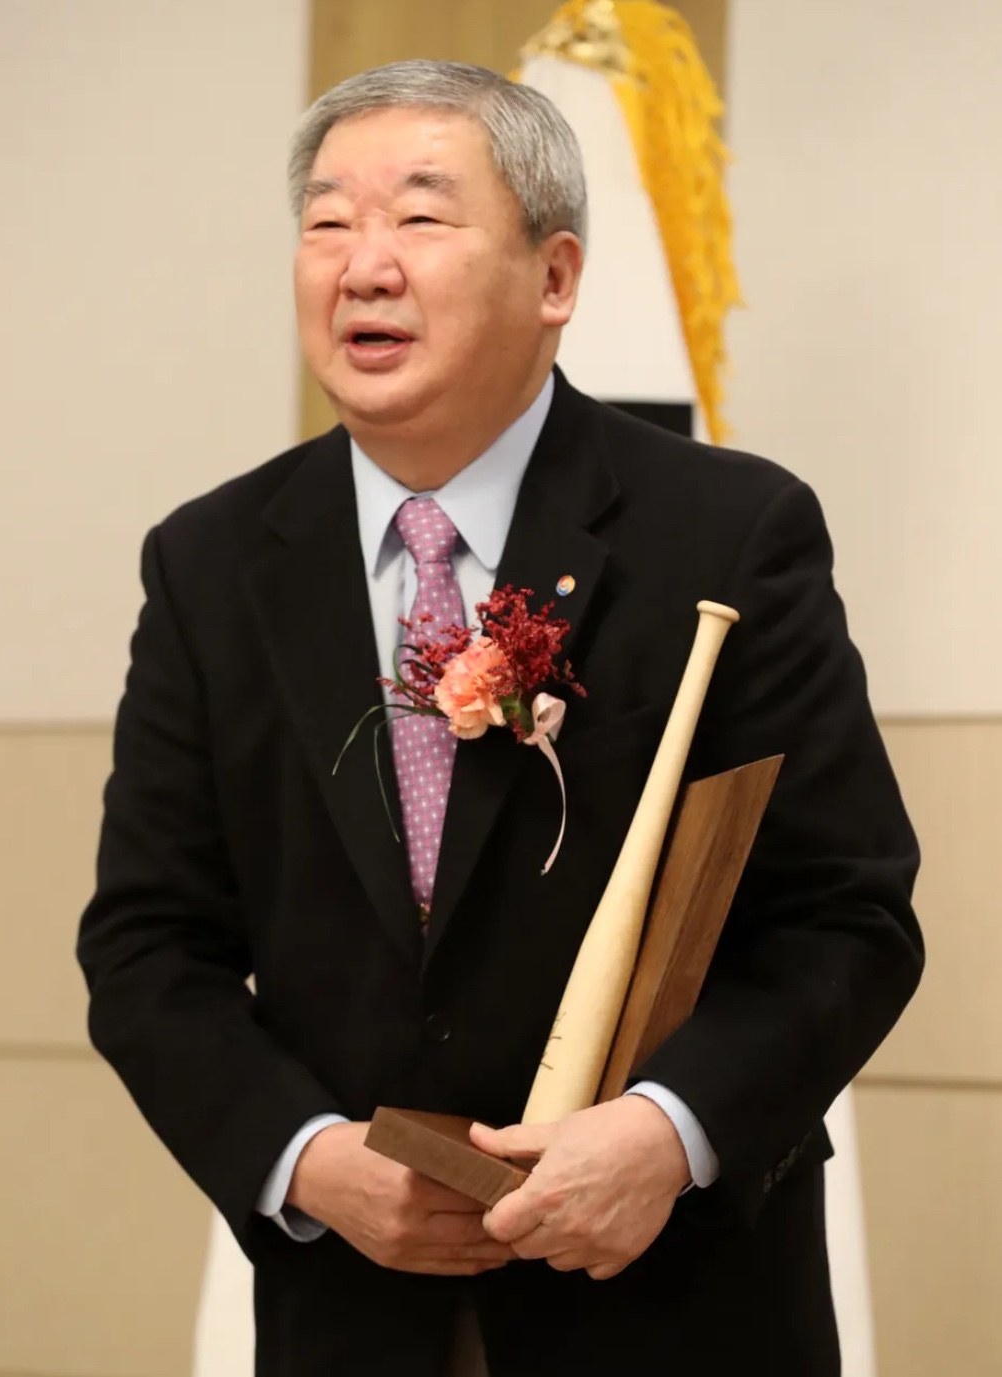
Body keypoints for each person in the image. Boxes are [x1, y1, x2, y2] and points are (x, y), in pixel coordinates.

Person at [77, 60, 923, 1377]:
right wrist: (309, 1159)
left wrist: (668, 1132)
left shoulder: (726, 533)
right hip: (353, 1314)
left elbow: (846, 915)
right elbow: (147, 948)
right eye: (326, 222)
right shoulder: (212, 562)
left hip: (668, 1305)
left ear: (555, 278)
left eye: (420, 217)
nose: (362, 266)